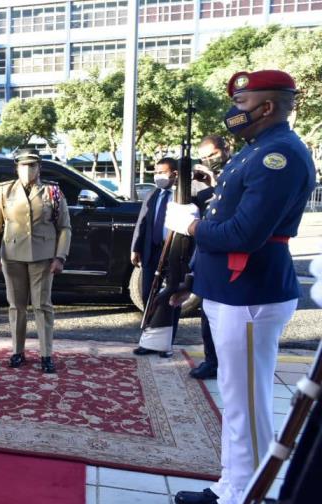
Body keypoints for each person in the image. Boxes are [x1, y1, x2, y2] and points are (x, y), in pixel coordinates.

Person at [165, 70, 316, 504]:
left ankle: (245, 495)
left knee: (246, 403)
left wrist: (191, 226)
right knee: (236, 399)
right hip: (232, 290)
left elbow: (243, 235)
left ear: (267, 107)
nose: (234, 112)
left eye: (242, 104)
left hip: (249, 292)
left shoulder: (278, 156)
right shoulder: (257, 150)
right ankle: (232, 486)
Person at [0, 148, 71, 374]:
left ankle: (46, 354)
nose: (27, 169)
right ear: (16, 167)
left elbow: (64, 227)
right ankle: (18, 351)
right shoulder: (4, 191)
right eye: (23, 165)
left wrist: (60, 257)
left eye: (32, 165)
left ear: (39, 167)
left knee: (42, 306)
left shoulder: (52, 192)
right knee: (16, 306)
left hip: (43, 257)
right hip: (12, 256)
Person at [188, 135, 232, 380]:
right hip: (206, 251)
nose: (209, 160)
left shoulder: (236, 171)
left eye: (213, 155)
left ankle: (227, 362)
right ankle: (211, 360)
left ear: (226, 149)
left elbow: (228, 206)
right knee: (208, 312)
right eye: (204, 157)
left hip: (230, 251)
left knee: (228, 317)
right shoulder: (201, 182)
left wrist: (215, 182)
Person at [131, 158, 182, 358]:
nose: (158, 176)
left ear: (175, 174)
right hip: (151, 252)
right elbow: (142, 222)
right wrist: (135, 248)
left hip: (174, 253)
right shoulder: (153, 194)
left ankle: (166, 344)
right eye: (156, 172)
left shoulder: (182, 196)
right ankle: (149, 341)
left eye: (163, 172)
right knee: (148, 296)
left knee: (170, 298)